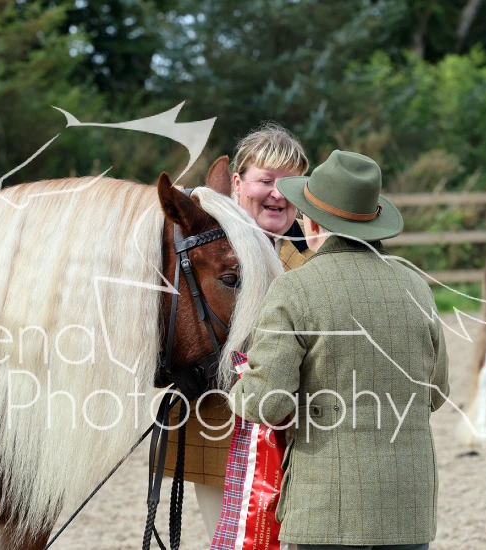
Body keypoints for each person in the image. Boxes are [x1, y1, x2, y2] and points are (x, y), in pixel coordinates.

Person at [229, 150, 450, 550]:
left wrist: (237, 387)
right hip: (409, 503)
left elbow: (267, 403)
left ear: (312, 223)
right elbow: (436, 393)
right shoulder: (416, 286)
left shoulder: (294, 289)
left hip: (326, 506)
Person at [160, 122, 311, 539]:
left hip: (304, 437)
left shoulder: (313, 256)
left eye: (291, 183)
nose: (278, 193)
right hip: (220, 428)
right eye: (266, 180)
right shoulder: (202, 250)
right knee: (230, 539)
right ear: (238, 184)